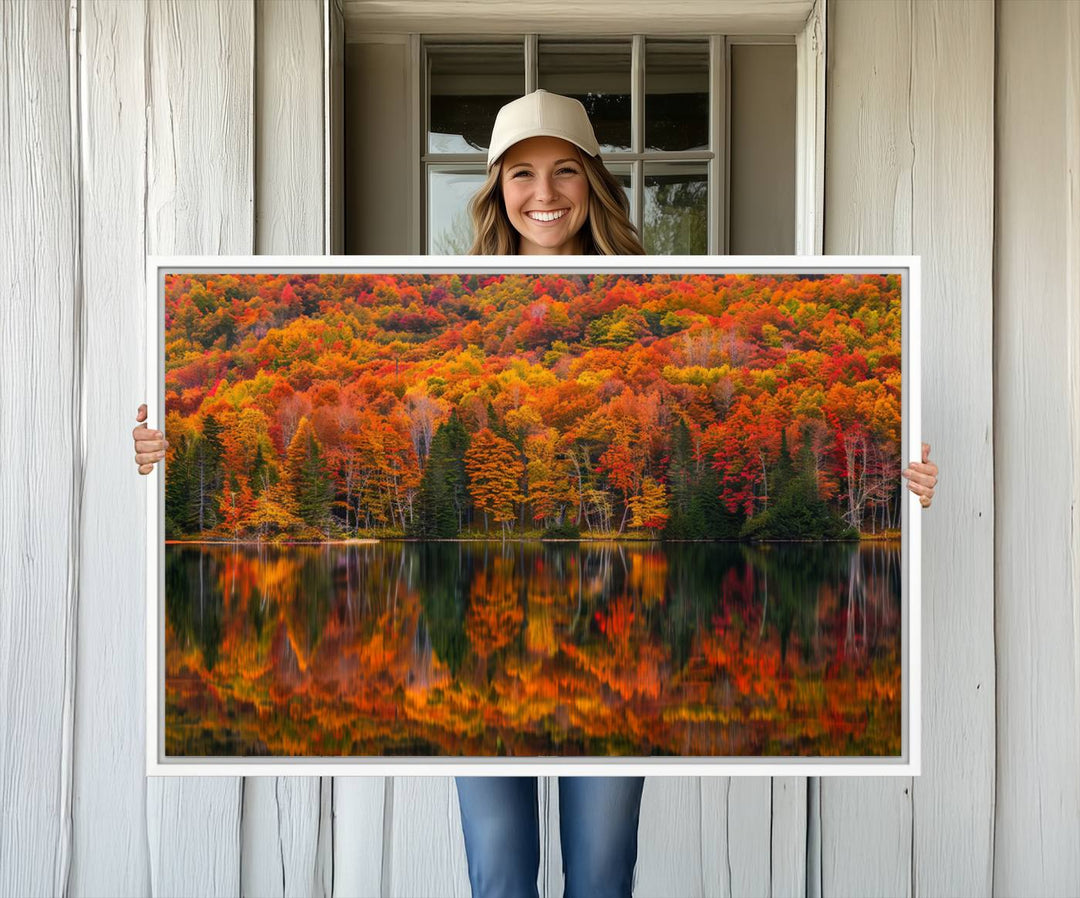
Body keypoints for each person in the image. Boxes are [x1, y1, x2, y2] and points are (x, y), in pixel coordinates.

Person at [130, 90, 940, 897]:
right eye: (522, 174)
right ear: (495, 190)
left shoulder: (659, 292)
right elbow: (269, 419)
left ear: (593, 182)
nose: (544, 193)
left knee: (600, 874)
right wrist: (165, 448)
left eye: (564, 172)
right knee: (499, 874)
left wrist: (900, 477)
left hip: (610, 703)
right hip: (480, 699)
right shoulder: (453, 298)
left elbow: (814, 428)